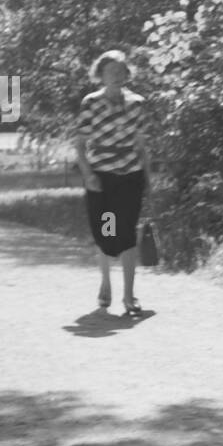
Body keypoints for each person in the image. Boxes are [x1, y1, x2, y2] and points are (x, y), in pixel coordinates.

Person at [73, 49, 153, 317]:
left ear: (127, 74)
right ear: (101, 75)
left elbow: (142, 145)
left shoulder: (138, 104)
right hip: (102, 180)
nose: (117, 77)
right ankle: (106, 282)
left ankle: (129, 295)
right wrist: (88, 175)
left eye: (121, 72)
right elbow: (81, 144)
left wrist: (148, 177)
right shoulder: (90, 103)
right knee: (106, 233)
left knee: (128, 233)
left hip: (130, 177)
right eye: (111, 72)